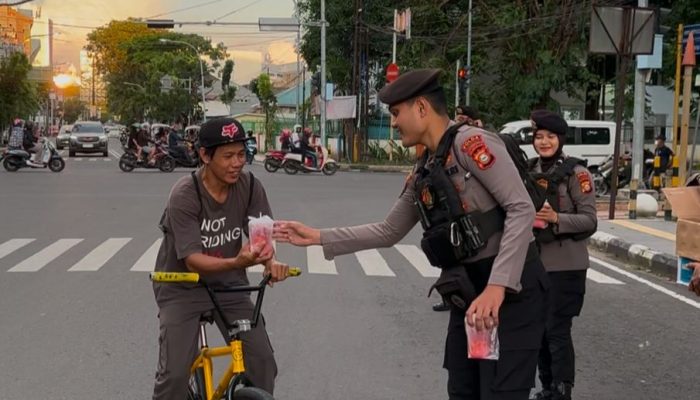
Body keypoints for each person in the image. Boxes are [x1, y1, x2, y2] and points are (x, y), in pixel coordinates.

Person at [274, 69, 548, 400]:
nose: (393, 123)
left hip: (512, 291)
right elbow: (389, 230)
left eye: (395, 113)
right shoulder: (425, 168)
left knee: (501, 392)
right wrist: (318, 236)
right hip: (471, 294)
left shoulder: (472, 144)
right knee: (463, 389)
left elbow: (521, 208)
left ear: (421, 108)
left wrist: (497, 286)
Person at [151, 117, 290, 399]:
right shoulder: (185, 194)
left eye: (241, 154)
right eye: (227, 156)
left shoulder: (250, 186)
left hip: (229, 287)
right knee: (175, 377)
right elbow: (192, 260)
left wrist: (269, 261)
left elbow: (262, 238)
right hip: (183, 287)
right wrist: (237, 263)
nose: (237, 163)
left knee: (263, 364)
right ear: (204, 155)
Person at [527, 110, 597, 400]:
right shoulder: (528, 171)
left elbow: (590, 221)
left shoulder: (577, 173)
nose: (544, 142)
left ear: (561, 139)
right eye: (539, 137)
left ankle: (562, 388)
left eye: (550, 137)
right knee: (539, 331)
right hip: (535, 264)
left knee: (556, 330)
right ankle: (547, 386)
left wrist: (556, 218)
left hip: (567, 266)